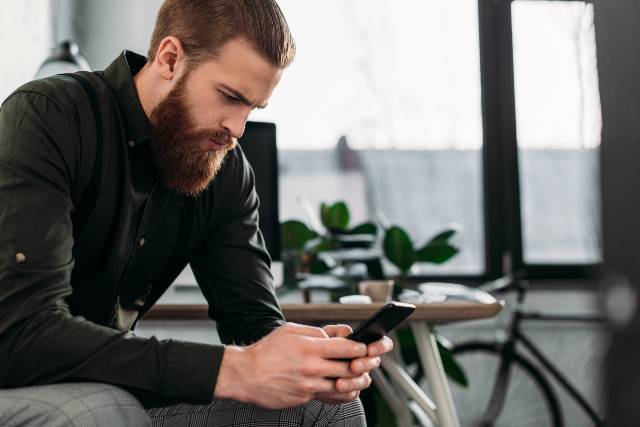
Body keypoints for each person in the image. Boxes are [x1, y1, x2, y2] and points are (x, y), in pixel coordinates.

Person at [0, 0, 393, 425]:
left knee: (319, 409)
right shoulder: (48, 116)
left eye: (252, 108)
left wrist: (306, 360)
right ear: (170, 59)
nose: (237, 129)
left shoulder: (224, 171)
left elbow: (254, 327)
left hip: (111, 390)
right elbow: (23, 335)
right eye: (229, 97)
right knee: (100, 412)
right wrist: (234, 369)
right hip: (17, 379)